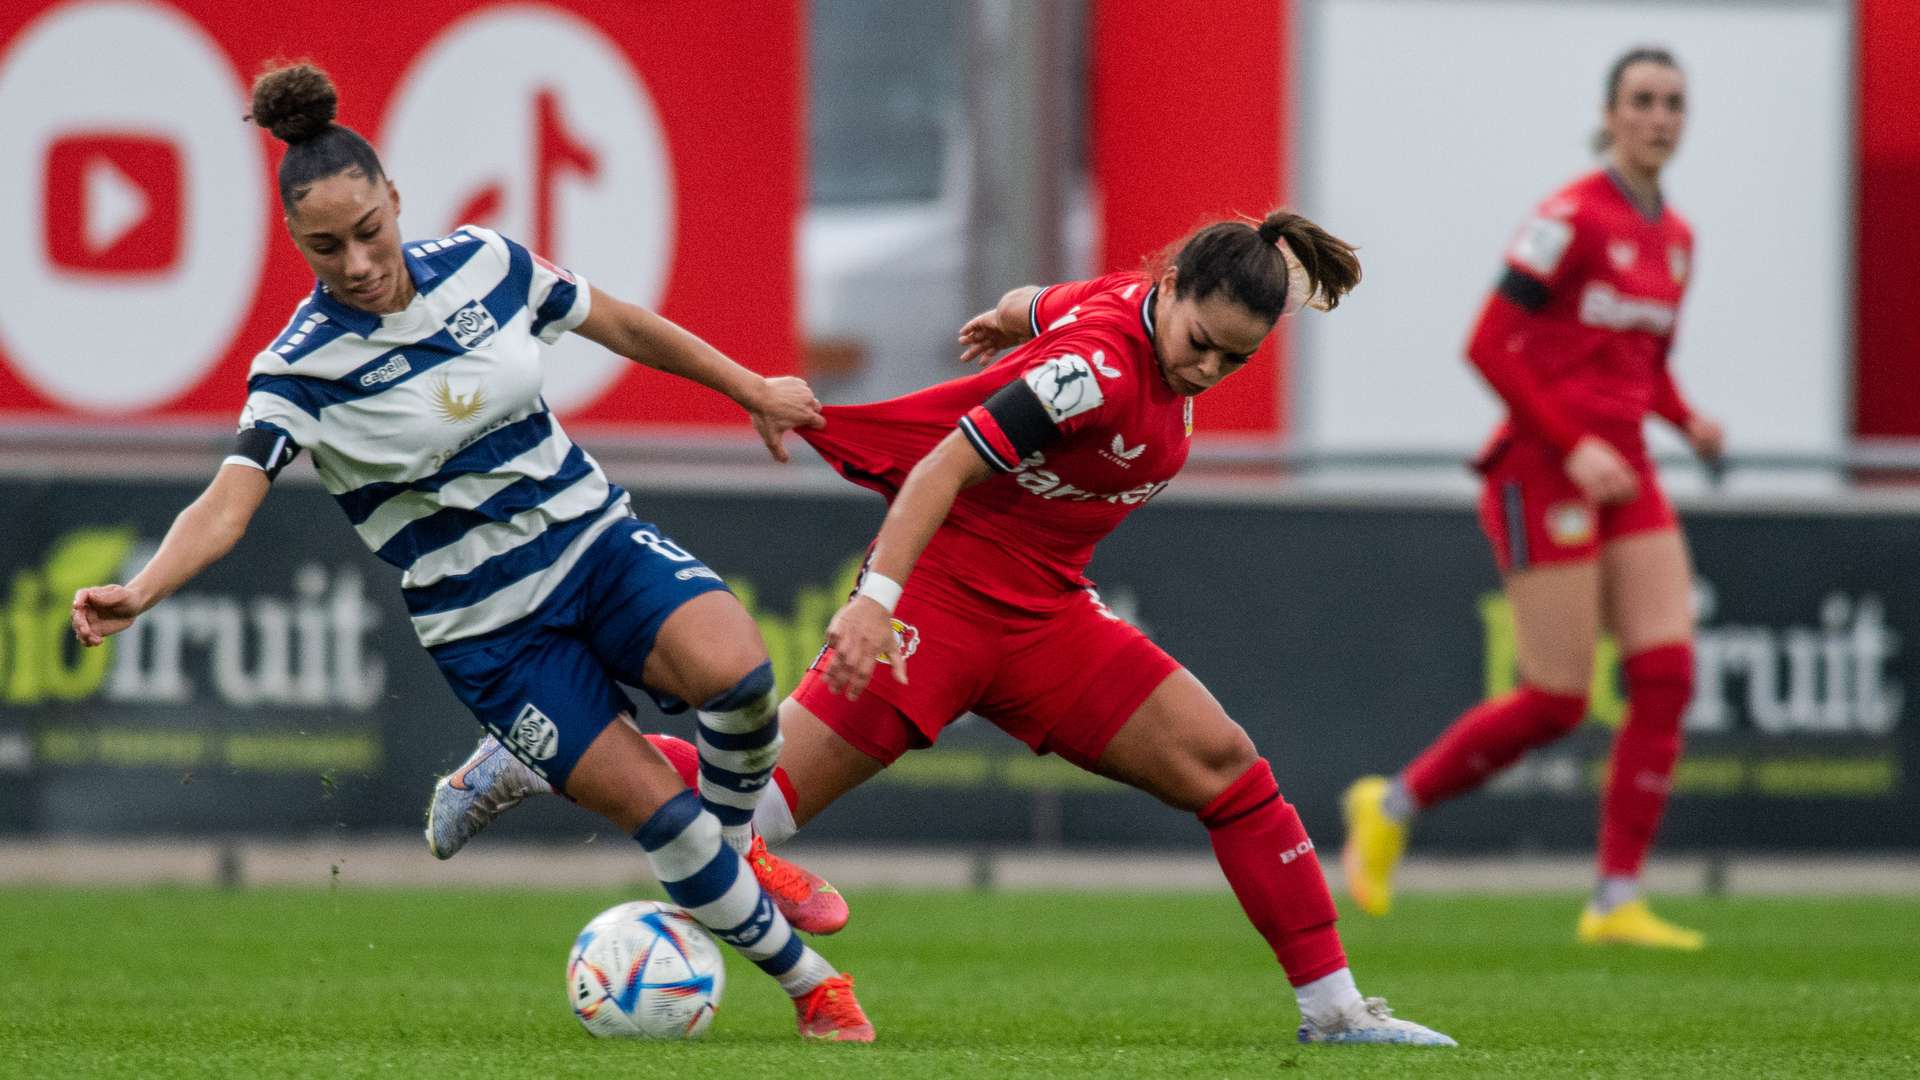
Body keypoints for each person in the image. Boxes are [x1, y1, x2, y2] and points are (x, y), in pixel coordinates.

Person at [437, 209, 1457, 1047]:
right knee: (762, 812)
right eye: (1202, 344)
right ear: (1174, 286)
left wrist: (1003, 321)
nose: (1206, 370)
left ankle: (1335, 1014)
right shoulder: (1097, 370)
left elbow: (1038, 300)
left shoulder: (1125, 308)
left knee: (1227, 769)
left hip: (1049, 614)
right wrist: (876, 602)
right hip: (942, 597)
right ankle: (538, 754)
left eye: (1235, 360)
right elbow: (943, 467)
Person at [67, 62, 872, 1041]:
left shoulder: (485, 263)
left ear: (396, 200)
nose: (358, 262)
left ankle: (736, 852)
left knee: (740, 679)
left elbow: (620, 323)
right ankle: (815, 990)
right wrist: (143, 589)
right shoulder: (298, 369)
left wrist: (751, 387)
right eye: (326, 247)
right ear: (295, 242)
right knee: (663, 816)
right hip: (493, 634)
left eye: (369, 230)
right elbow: (226, 506)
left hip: (595, 545)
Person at [1341, 47, 1723, 950]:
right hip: (1543, 468)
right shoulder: (1568, 218)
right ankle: (1391, 806)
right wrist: (1573, 443)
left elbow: (1644, 365)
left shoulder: (1677, 239)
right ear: (1610, 114)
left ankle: (1615, 899)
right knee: (1557, 700)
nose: (1659, 117)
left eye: (1673, 102)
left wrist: (1688, 420)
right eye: (1643, 100)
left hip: (1625, 469)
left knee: (1667, 675)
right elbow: (1488, 344)